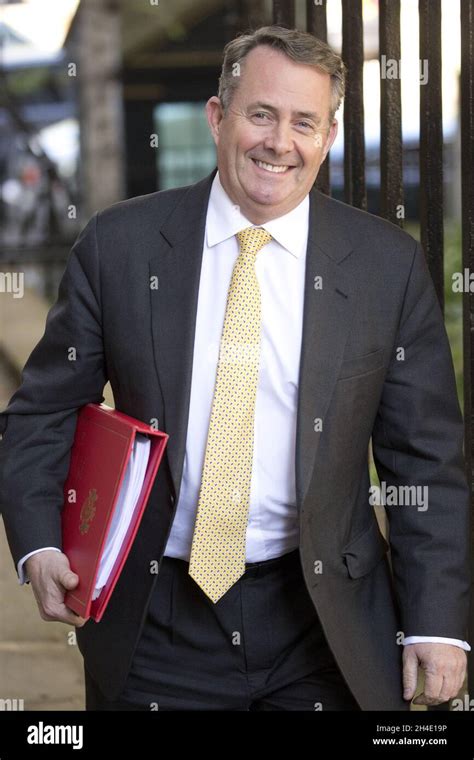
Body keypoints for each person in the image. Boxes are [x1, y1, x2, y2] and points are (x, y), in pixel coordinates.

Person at [0, 25, 470, 712]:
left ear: (328, 136)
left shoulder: (384, 267)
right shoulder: (121, 247)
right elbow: (41, 412)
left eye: (303, 122)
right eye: (262, 114)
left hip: (325, 621)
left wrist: (436, 623)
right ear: (218, 117)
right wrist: (39, 544)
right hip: (155, 618)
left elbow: (425, 458)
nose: (281, 142)